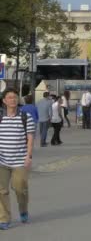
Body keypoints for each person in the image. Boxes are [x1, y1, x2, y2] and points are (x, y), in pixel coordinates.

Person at [0, 88, 36, 230]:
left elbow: (30, 139)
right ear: (4, 101)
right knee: (1, 191)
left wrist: (28, 156)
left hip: (20, 160)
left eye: (15, 97)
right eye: (9, 97)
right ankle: (4, 218)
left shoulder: (26, 117)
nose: (12, 100)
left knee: (20, 189)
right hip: (1, 161)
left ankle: (23, 210)